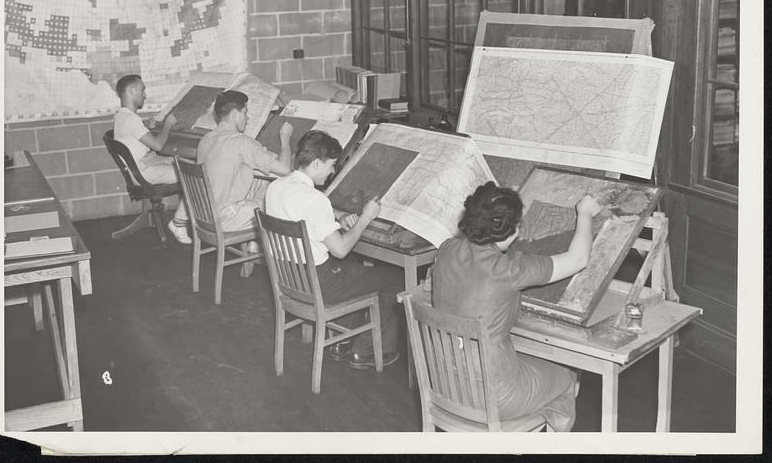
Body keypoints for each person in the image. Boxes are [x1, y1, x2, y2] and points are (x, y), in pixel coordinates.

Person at [431, 181, 602, 431]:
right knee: (567, 377)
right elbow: (578, 259)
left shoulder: (446, 249)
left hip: (445, 382)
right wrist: (584, 213)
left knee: (529, 364)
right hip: (496, 397)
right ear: (511, 231)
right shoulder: (508, 269)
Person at [265, 130, 403, 370]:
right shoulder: (316, 200)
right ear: (317, 163)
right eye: (330, 165)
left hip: (291, 280)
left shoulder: (276, 187)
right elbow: (340, 250)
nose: (332, 172)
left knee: (352, 270)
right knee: (395, 279)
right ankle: (365, 351)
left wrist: (338, 216)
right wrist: (365, 219)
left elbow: (306, 216)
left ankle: (343, 341)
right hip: (320, 286)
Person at [196, 89, 293, 233]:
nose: (247, 118)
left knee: (262, 181)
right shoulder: (242, 142)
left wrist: (260, 156)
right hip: (225, 219)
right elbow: (285, 169)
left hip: (204, 215)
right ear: (235, 114)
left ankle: (255, 244)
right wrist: (285, 137)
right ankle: (270, 246)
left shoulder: (206, 138)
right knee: (280, 202)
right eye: (245, 112)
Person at [113, 74, 191, 244]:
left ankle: (183, 216)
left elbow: (134, 136)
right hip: (143, 172)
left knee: (185, 163)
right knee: (193, 176)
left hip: (141, 165)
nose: (145, 95)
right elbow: (157, 146)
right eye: (142, 90)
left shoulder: (121, 116)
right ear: (132, 91)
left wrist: (146, 128)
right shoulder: (132, 120)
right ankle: (178, 223)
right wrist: (168, 125)